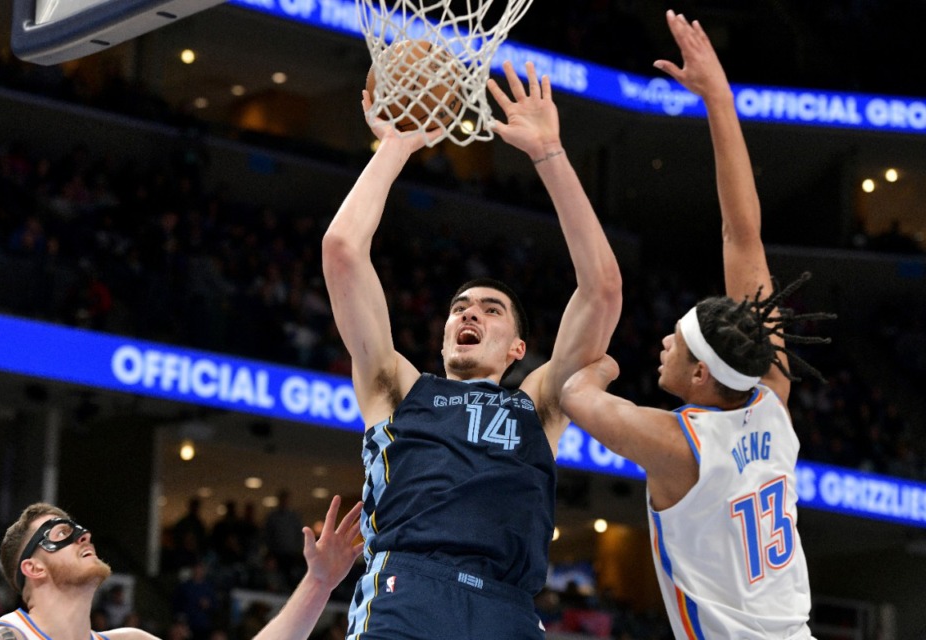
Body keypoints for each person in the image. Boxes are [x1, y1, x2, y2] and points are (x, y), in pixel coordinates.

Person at [322, 59, 623, 639]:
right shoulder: (398, 387)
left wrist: (548, 154)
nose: (469, 313)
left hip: (507, 610)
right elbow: (341, 250)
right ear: (443, 333)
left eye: (490, 310)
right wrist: (396, 145)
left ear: (517, 348)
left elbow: (603, 289)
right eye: (461, 307)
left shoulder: (538, 402)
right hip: (407, 590)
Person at [560, 11, 834, 639]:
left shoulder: (680, 442)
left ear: (702, 373)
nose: (663, 342)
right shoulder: (771, 399)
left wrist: (600, 368)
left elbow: (574, 392)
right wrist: (718, 99)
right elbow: (743, 236)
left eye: (676, 342)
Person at [0, 496, 363, 640]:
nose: (83, 536)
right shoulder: (7, 637)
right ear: (33, 569)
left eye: (79, 529)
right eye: (61, 533)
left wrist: (319, 583)